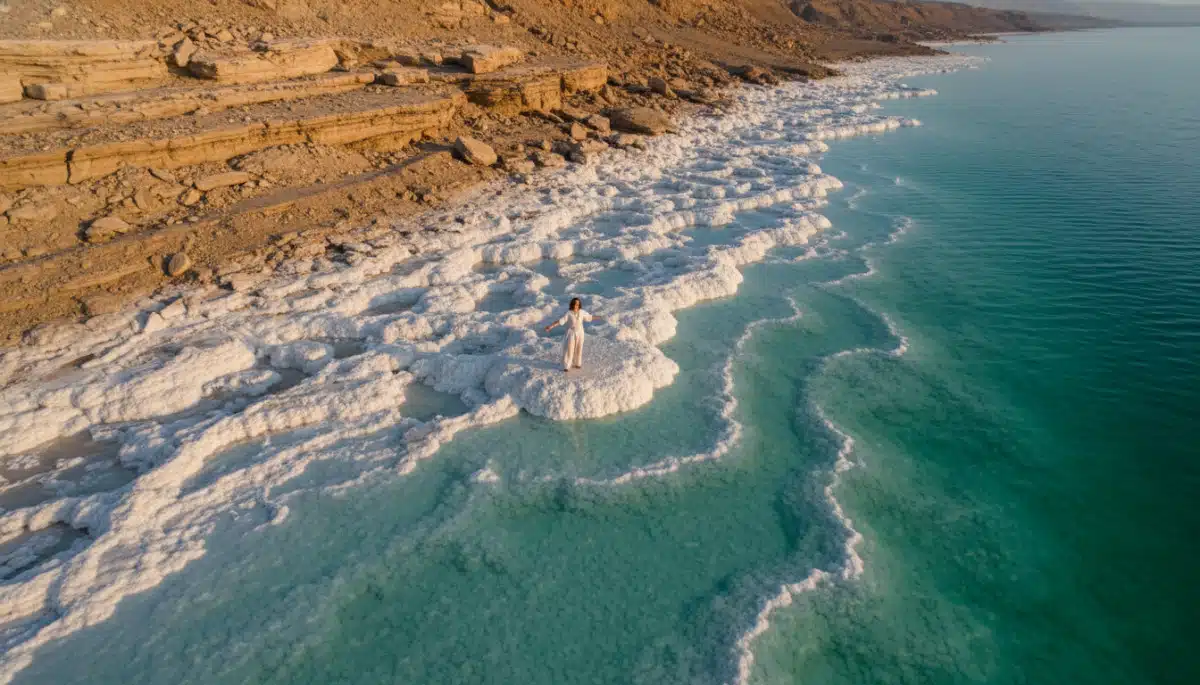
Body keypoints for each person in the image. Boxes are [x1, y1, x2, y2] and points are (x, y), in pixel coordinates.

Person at [544, 297, 603, 372]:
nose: (577, 305)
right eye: (575, 304)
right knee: (569, 349)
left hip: (580, 333)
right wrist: (550, 326)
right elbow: (560, 321)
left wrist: (600, 317)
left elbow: (589, 317)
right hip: (571, 333)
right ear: (572, 304)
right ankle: (566, 366)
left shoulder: (582, 312)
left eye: (578, 304)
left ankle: (577, 363)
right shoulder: (569, 313)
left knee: (579, 348)